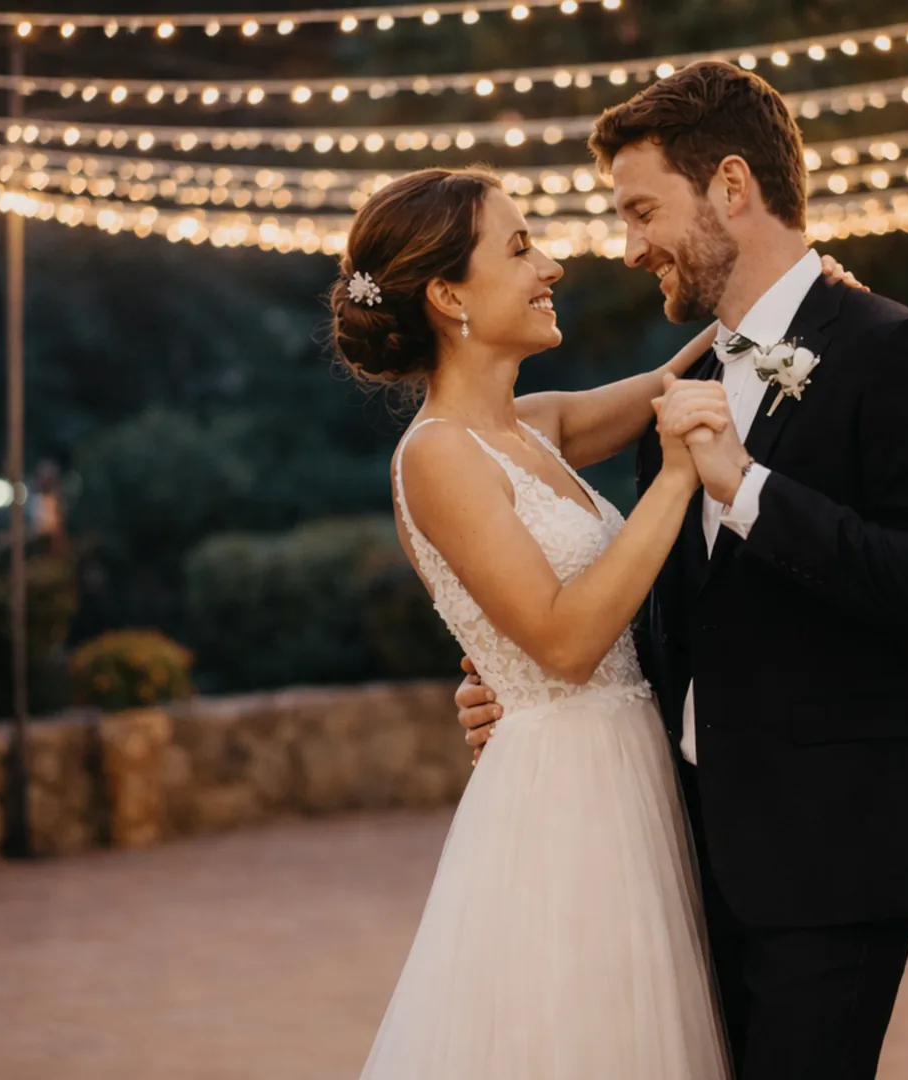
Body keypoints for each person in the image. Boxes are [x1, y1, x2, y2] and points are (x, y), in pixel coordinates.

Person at [456, 61, 908, 1080]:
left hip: (837, 851)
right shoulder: (695, 373)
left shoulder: (899, 351)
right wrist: (520, 692)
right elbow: (678, 615)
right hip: (687, 851)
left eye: (643, 210)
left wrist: (747, 489)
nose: (628, 247)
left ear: (733, 188)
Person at [333, 162, 865, 1079]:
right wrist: (677, 476)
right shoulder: (436, 457)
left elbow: (678, 378)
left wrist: (805, 301)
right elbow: (567, 642)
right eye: (521, 246)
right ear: (450, 293)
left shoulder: (532, 426)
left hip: (631, 773)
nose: (552, 266)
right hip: (561, 800)